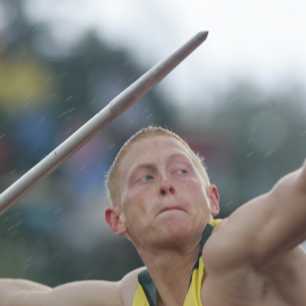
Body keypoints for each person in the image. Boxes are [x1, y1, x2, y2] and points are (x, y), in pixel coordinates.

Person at [1, 126, 306, 306]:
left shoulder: (235, 249)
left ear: (212, 199)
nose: (166, 184)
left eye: (181, 171)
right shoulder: (133, 295)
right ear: (116, 219)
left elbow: (296, 195)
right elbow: (24, 298)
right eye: (145, 178)